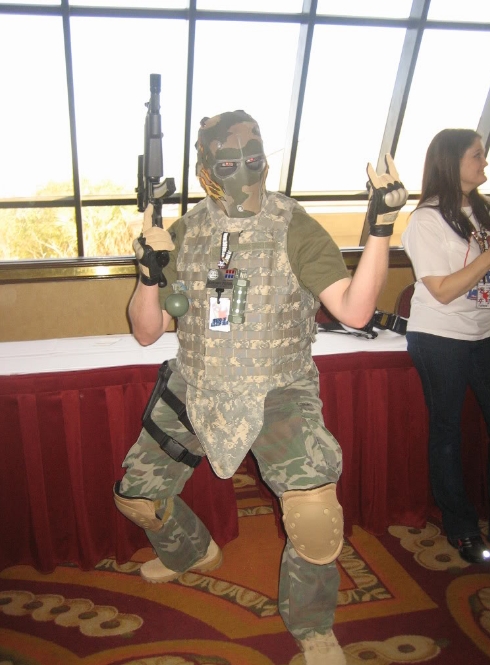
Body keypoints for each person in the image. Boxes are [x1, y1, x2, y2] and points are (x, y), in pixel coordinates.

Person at [114, 110, 407, 664]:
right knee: (137, 498)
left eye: (254, 159)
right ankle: (191, 552)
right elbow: (148, 331)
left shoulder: (293, 225)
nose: (246, 173)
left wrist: (380, 230)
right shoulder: (187, 232)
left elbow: (354, 310)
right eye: (229, 164)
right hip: (196, 384)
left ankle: (312, 626)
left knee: (316, 518)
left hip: (278, 389)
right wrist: (149, 274)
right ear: (206, 170)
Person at [402, 128, 490, 565]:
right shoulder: (426, 219)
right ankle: (462, 528)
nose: (484, 162)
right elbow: (442, 290)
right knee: (448, 433)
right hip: (440, 338)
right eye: (477, 155)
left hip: (483, 333)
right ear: (451, 162)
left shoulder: (482, 210)